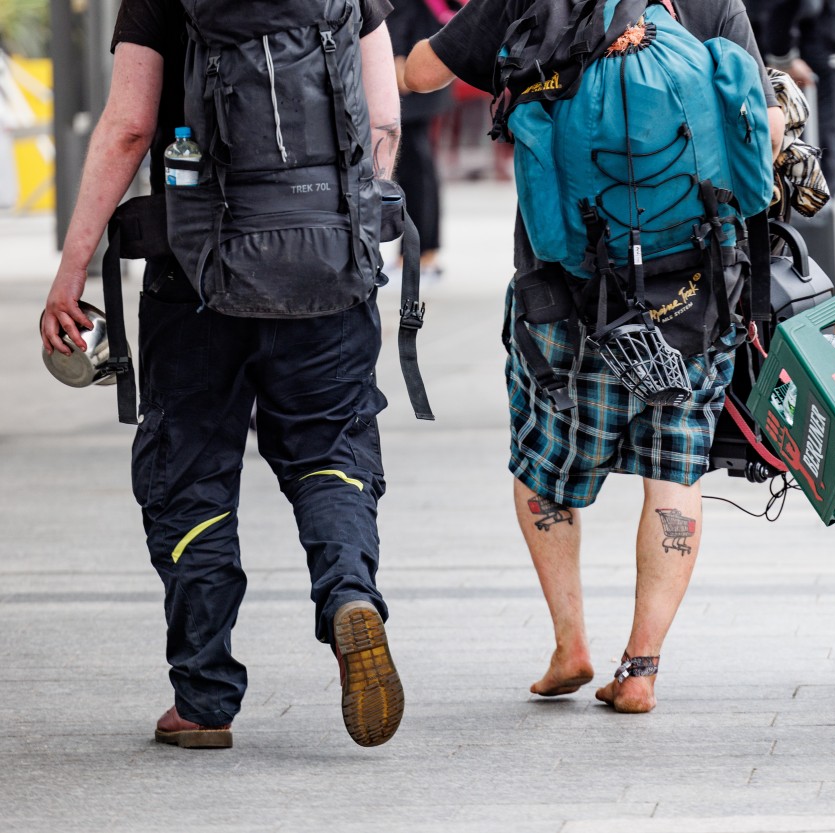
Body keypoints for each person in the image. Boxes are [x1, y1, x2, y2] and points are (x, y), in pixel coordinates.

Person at [40, 0, 406, 749]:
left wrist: (72, 265)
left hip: (195, 275)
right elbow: (384, 118)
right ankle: (348, 597)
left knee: (191, 470)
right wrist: (339, 228)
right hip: (327, 267)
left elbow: (129, 127)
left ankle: (204, 698)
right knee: (331, 451)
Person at [404, 0, 784, 714]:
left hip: (566, 287)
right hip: (694, 285)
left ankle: (569, 642)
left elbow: (424, 72)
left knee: (543, 456)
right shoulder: (709, 4)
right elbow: (763, 124)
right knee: (675, 466)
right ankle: (640, 667)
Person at [388, 0, 452, 282]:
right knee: (416, 163)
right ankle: (419, 252)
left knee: (415, 165)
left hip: (411, 62)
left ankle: (419, 254)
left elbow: (403, 10)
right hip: (424, 55)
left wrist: (397, 53)